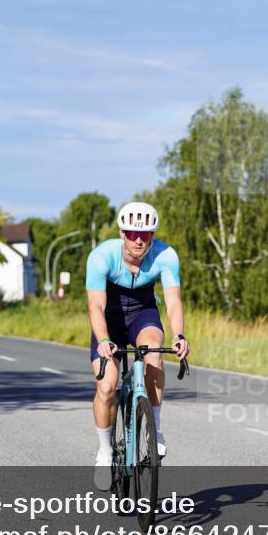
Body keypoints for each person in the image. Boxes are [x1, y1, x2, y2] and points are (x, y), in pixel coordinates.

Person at [86, 202, 190, 489]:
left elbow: (173, 301)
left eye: (146, 234)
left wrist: (179, 335)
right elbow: (96, 304)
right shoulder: (101, 255)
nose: (139, 240)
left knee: (154, 353)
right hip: (110, 318)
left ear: (152, 235)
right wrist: (105, 340)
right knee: (107, 386)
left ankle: (153, 431)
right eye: (133, 233)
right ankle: (105, 450)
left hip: (143, 312)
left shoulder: (165, 255)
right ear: (122, 233)